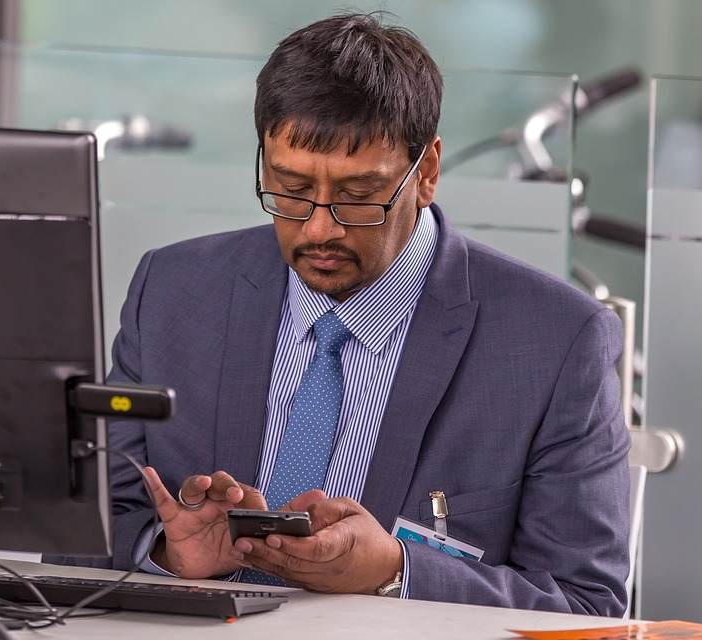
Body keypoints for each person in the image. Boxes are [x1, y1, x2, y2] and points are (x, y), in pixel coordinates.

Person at [54, 13, 630, 615]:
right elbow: (79, 539)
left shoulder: (555, 341)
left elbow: (588, 605)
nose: (320, 227)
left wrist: (395, 574)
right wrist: (170, 558)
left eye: (358, 195)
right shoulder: (173, 292)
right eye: (291, 187)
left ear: (426, 172)